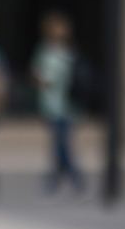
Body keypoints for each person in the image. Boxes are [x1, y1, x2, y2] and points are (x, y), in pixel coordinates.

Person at [31, 11, 87, 198]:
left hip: (64, 104)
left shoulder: (61, 53)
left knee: (61, 145)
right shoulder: (53, 52)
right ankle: (59, 179)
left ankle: (70, 179)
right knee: (60, 144)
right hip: (57, 104)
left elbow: (49, 79)